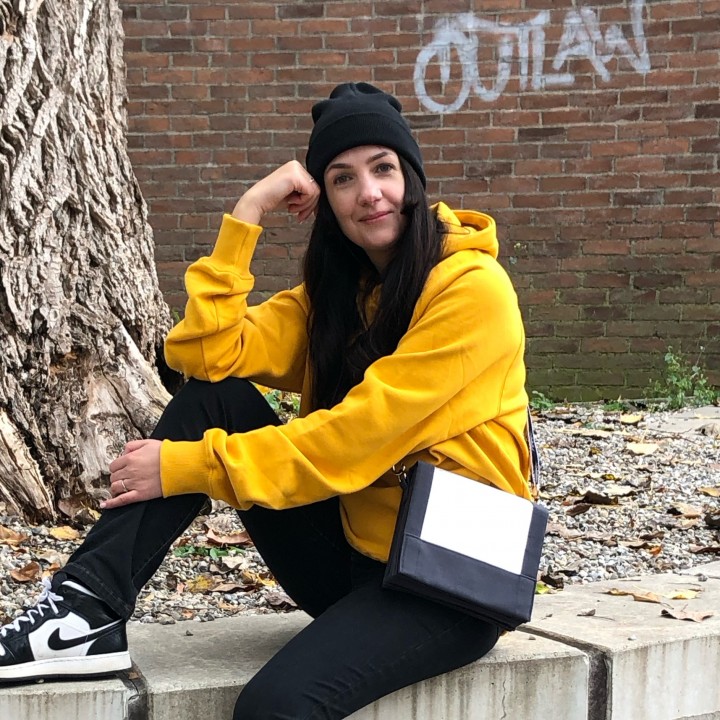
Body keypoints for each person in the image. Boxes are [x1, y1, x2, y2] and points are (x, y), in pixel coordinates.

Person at [0, 82, 532, 718]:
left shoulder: (473, 291)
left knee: (274, 707)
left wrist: (188, 467)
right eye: (342, 178)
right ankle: (84, 611)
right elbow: (204, 354)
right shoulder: (339, 296)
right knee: (216, 397)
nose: (369, 192)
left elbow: (353, 438)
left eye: (383, 168)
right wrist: (248, 212)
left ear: (412, 179)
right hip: (352, 560)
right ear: (326, 201)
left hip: (451, 581)